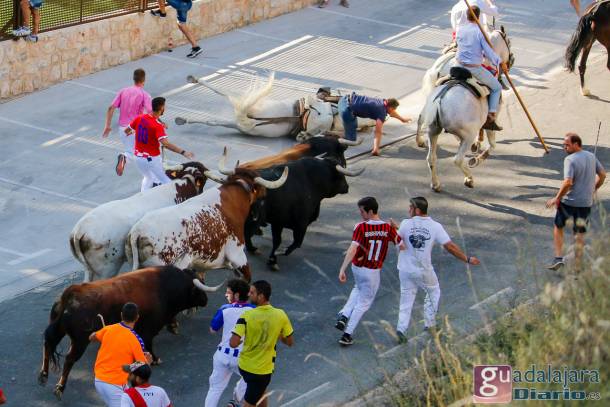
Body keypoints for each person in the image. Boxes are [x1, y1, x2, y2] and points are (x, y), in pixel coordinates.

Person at [390, 197, 480, 343]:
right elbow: (449, 246)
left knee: (406, 298)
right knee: (433, 291)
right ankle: (430, 324)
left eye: (410, 208)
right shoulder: (435, 226)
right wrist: (467, 259)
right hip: (423, 270)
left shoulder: (406, 224)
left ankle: (401, 329)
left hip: (405, 269)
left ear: (417, 210)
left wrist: (396, 228)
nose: (408, 210)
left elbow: (397, 238)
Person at [335, 196, 405, 346]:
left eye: (362, 211)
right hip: (372, 271)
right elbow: (402, 245)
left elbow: (353, 248)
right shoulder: (387, 228)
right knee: (364, 303)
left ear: (370, 211)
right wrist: (397, 228)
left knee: (357, 288)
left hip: (357, 268)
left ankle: (345, 315)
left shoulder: (360, 227)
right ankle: (347, 334)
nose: (361, 214)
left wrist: (343, 268)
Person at [546, 133, 606, 270]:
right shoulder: (591, 156)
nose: (564, 147)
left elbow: (567, 182)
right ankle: (577, 267)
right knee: (579, 234)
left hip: (569, 202)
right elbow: (602, 175)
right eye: (563, 144)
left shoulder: (570, 159)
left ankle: (558, 257)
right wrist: (594, 188)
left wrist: (557, 198)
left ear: (576, 144)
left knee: (558, 226)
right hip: (585, 202)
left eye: (567, 144)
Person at [229, 281, 294, 407]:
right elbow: (290, 342)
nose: (249, 294)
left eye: (252, 292)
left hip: (244, 367)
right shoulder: (280, 315)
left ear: (261, 296)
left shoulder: (247, 315)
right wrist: (278, 334)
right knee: (251, 400)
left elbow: (233, 343)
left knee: (261, 393)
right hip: (261, 371)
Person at [89, 303, 153, 407]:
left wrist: (95, 334)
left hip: (100, 381)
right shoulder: (135, 339)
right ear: (137, 318)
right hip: (114, 386)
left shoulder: (108, 329)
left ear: (121, 315)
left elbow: (92, 338)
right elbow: (142, 372)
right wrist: (148, 362)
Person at [125, 97, 194, 191]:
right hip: (151, 159)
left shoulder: (140, 118)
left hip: (138, 158)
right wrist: (183, 152)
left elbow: (127, 130)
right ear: (162, 108)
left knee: (148, 178)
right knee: (165, 181)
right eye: (164, 106)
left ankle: (142, 199)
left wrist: (138, 131)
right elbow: (166, 144)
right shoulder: (157, 126)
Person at [455, 5, 506, 131]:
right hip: (473, 68)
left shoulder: (460, 29)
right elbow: (488, 52)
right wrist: (500, 62)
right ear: (478, 16)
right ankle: (491, 115)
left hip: (458, 65)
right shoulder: (479, 32)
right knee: (497, 87)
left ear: (467, 16)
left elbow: (459, 44)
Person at [205, 279, 254, 407]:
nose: (226, 295)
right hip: (242, 358)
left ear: (237, 295)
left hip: (222, 356)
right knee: (252, 379)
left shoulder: (224, 309)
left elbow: (212, 330)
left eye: (228, 292)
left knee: (215, 389)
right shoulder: (254, 311)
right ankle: (236, 399)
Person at [321, 93, 411, 155]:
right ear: (391, 107)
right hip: (346, 110)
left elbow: (391, 113)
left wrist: (402, 119)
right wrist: (376, 148)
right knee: (351, 140)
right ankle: (329, 135)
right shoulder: (381, 112)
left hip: (344, 99)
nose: (393, 111)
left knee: (353, 127)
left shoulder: (382, 102)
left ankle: (341, 131)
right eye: (393, 109)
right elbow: (378, 132)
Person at [103, 69, 153, 176]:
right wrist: (160, 123)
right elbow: (151, 112)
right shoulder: (145, 95)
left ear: (134, 79)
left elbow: (111, 108)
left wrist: (107, 126)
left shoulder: (123, 91)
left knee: (131, 151)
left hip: (123, 129)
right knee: (145, 150)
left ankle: (125, 157)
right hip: (136, 128)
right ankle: (152, 173)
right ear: (144, 80)